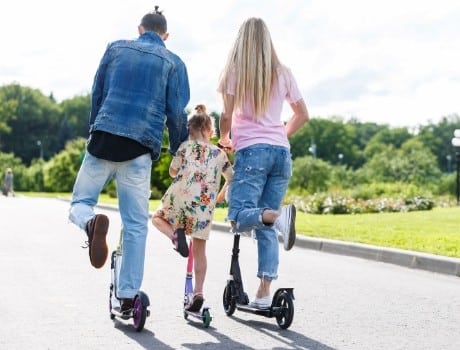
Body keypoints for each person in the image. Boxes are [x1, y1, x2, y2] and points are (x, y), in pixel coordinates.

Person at [68, 6, 190, 314]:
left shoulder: (115, 48)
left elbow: (98, 92)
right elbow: (176, 114)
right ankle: (127, 294)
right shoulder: (174, 62)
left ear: (139, 29)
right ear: (166, 36)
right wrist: (180, 151)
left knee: (80, 202)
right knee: (136, 224)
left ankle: (90, 222)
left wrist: (94, 129)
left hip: (103, 139)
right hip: (139, 148)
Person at [217, 17, 310, 309]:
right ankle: (264, 292)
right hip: (281, 154)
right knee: (264, 219)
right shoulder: (283, 72)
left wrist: (223, 138)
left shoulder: (234, 71)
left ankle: (280, 217)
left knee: (237, 215)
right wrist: (279, 134)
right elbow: (302, 114)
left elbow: (226, 116)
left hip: (252, 153)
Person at [152, 104, 233, 311]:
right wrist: (220, 196)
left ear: (190, 130)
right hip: (203, 207)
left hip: (179, 200)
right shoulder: (219, 154)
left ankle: (174, 235)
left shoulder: (184, 147)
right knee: (199, 250)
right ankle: (198, 292)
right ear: (210, 131)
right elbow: (233, 178)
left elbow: (172, 172)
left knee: (157, 218)